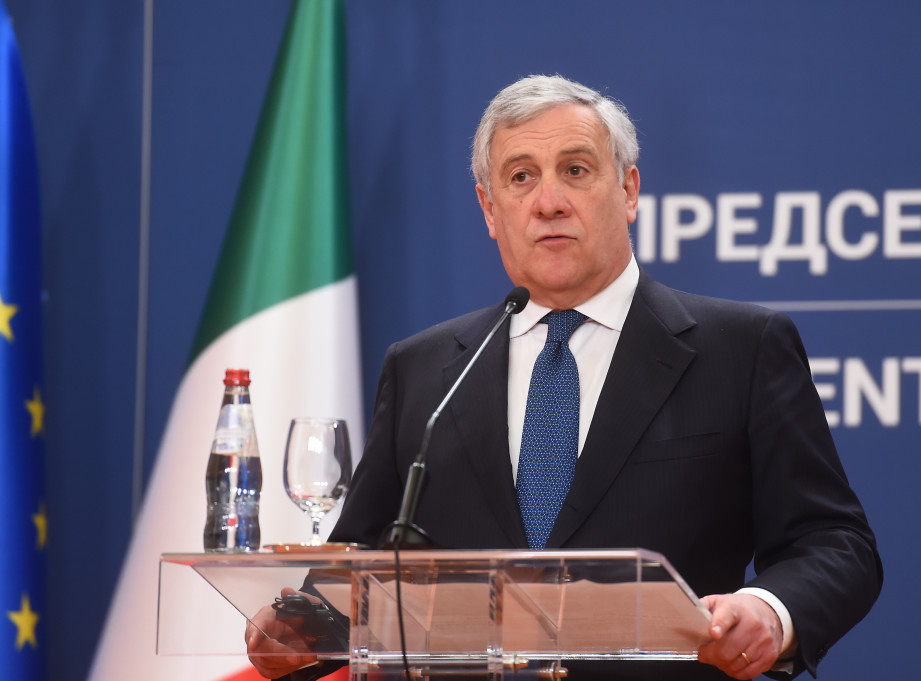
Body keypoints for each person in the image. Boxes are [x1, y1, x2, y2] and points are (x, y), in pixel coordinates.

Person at [247, 75, 881, 680]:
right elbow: (360, 566)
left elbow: (833, 541)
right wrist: (303, 631)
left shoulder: (740, 349)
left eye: (575, 170)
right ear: (489, 208)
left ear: (628, 191)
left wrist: (769, 611)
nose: (548, 201)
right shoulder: (423, 369)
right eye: (520, 177)